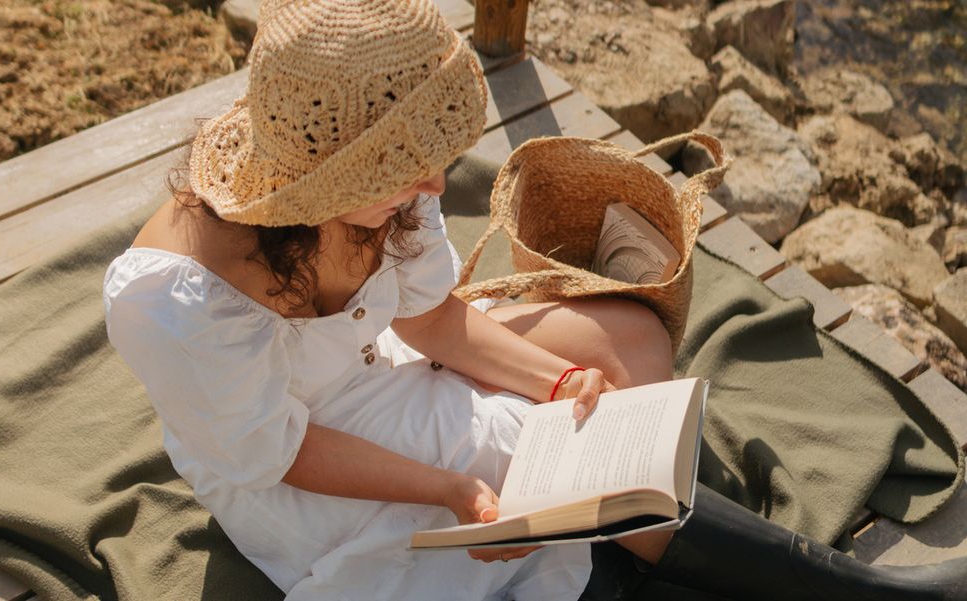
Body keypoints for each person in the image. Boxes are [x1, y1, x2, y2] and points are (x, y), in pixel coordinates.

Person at [102, 0, 967, 599]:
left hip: (393, 371)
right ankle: (864, 591)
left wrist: (554, 383)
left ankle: (615, 544)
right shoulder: (175, 302)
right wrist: (449, 490)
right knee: (520, 477)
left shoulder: (394, 180)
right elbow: (281, 450)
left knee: (624, 339)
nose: (436, 182)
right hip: (297, 458)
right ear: (324, 182)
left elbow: (434, 320)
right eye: (403, 171)